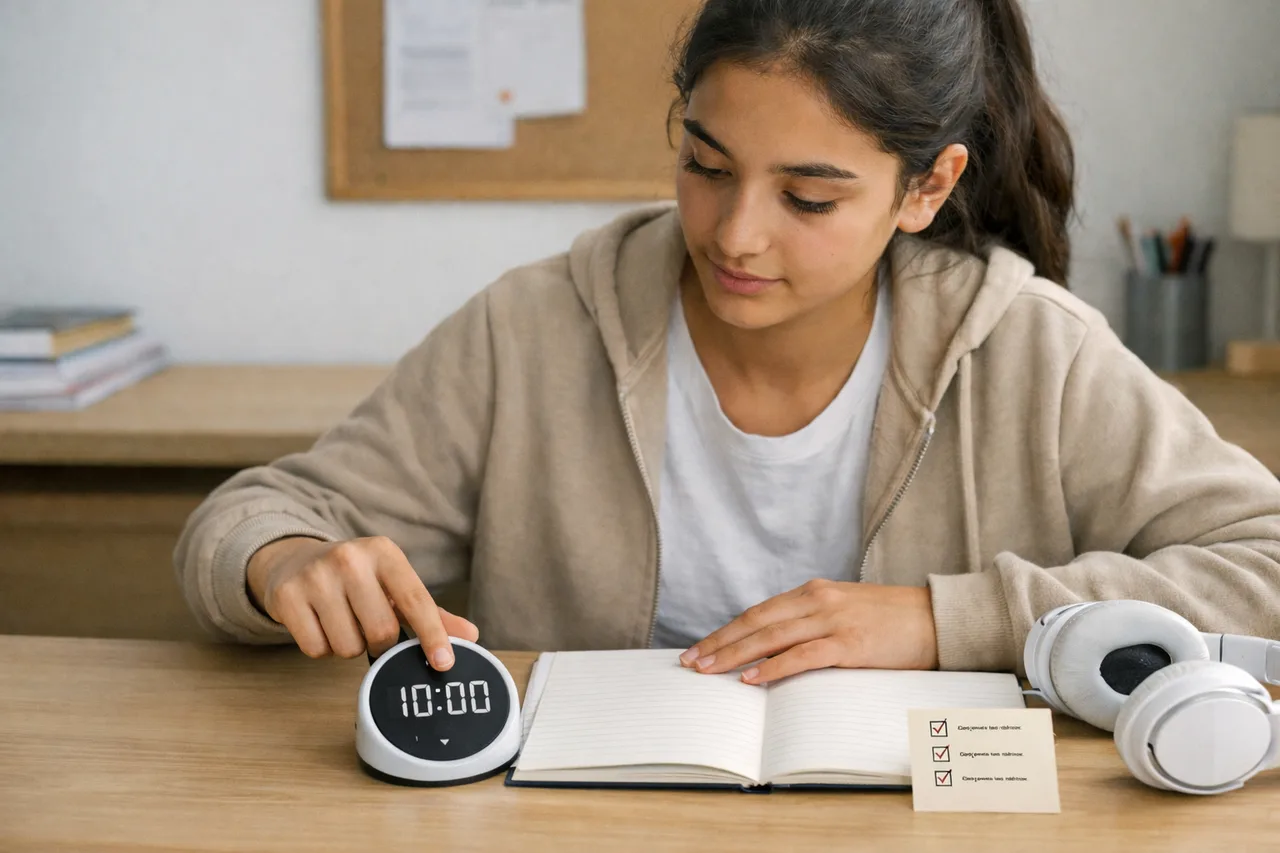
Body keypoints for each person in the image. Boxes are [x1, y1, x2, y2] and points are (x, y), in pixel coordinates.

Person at [174, 0, 1280, 687]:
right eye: (705, 165)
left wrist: (947, 621)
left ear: (926, 188)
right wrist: (285, 564)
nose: (734, 235)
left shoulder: (1031, 351)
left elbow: (1263, 563)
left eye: (808, 197)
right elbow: (254, 515)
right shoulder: (532, 328)